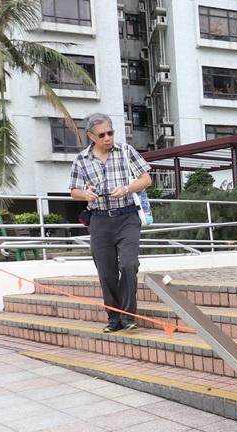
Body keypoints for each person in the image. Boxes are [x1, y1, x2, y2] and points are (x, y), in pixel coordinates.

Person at [69, 113, 153, 332]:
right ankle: (114, 319)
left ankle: (128, 316)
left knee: (128, 265)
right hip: (99, 221)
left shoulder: (126, 151)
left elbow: (146, 179)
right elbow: (73, 191)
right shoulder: (81, 160)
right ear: (91, 136)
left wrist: (126, 188)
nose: (108, 138)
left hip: (127, 216)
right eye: (102, 135)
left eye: (110, 133)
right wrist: (85, 194)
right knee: (106, 272)